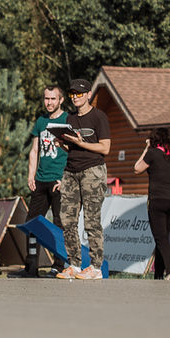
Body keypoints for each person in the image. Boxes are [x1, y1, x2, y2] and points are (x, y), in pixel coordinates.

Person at [54, 79, 111, 280]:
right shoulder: (69, 119)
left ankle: (96, 267)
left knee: (91, 220)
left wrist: (81, 142)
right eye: (72, 94)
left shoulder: (99, 117)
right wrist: (62, 144)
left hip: (92, 171)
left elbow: (105, 148)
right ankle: (74, 264)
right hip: (70, 171)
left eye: (79, 94)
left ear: (88, 95)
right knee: (67, 220)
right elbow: (74, 148)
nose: (76, 97)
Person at [12, 83, 69, 278]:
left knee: (59, 223)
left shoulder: (67, 119)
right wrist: (31, 175)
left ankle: (59, 266)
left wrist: (65, 178)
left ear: (61, 100)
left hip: (58, 180)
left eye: (53, 98)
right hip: (41, 180)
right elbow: (34, 150)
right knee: (32, 223)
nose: (49, 102)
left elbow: (74, 151)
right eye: (47, 98)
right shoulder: (41, 122)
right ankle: (31, 266)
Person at [134, 127, 170, 280]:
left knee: (161, 238)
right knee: (163, 238)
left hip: (158, 200)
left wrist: (147, 148)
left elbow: (137, 168)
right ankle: (158, 275)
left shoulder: (153, 153)